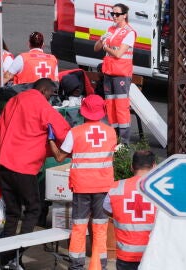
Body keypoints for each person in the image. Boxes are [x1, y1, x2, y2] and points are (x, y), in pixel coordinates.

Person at [0, 78, 70, 268]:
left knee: (12, 213)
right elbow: (64, 132)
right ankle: (14, 254)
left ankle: (4, 259)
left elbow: (1, 130)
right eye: (51, 94)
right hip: (24, 167)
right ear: (43, 91)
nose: (51, 98)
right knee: (34, 208)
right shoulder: (42, 106)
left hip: (4, 164)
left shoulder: (15, 100)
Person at [48, 94, 117, 270]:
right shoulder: (111, 133)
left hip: (82, 186)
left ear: (83, 112)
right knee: (100, 226)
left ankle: (77, 265)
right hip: (103, 185)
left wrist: (50, 139)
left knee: (79, 225)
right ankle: (99, 263)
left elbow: (59, 157)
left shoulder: (75, 132)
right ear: (102, 112)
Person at [103, 150, 157, 270]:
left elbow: (106, 209)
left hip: (125, 255)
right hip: (152, 253)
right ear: (154, 166)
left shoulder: (116, 187)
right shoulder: (161, 191)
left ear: (132, 167)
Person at [94, 3, 136, 145]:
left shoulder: (129, 32)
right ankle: (113, 138)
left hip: (121, 74)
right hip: (109, 72)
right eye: (113, 14)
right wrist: (101, 39)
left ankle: (124, 142)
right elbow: (96, 48)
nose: (114, 17)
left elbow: (118, 53)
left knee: (121, 107)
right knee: (110, 105)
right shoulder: (110, 29)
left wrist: (106, 47)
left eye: (117, 14)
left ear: (124, 15)